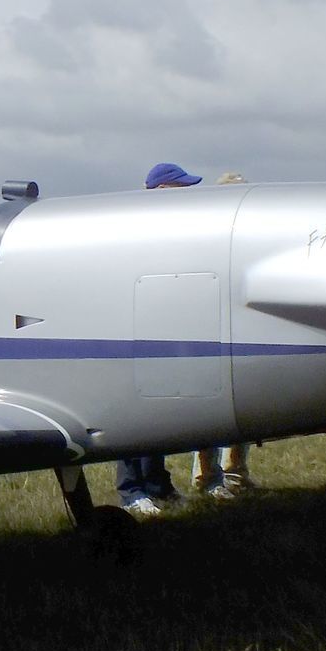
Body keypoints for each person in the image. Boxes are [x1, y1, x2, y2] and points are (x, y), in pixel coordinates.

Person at [115, 161, 202, 516]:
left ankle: (158, 484)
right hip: (136, 332)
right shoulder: (137, 231)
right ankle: (131, 491)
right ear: (164, 192)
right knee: (133, 415)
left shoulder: (176, 233)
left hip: (166, 331)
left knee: (160, 413)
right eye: (182, 188)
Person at [195, 172, 257, 501]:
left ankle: (236, 470)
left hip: (239, 331)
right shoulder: (209, 239)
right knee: (213, 409)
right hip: (213, 332)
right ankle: (208, 473)